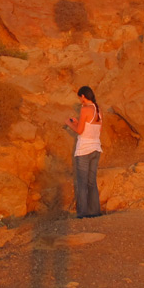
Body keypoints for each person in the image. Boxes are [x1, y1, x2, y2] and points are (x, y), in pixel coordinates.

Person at [65, 85, 103, 219]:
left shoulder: (85, 109)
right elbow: (91, 129)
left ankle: (82, 214)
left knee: (82, 182)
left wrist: (69, 124)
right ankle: (95, 212)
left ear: (83, 96)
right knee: (91, 181)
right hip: (96, 148)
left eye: (80, 97)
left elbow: (80, 131)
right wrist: (77, 122)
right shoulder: (98, 110)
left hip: (84, 150)